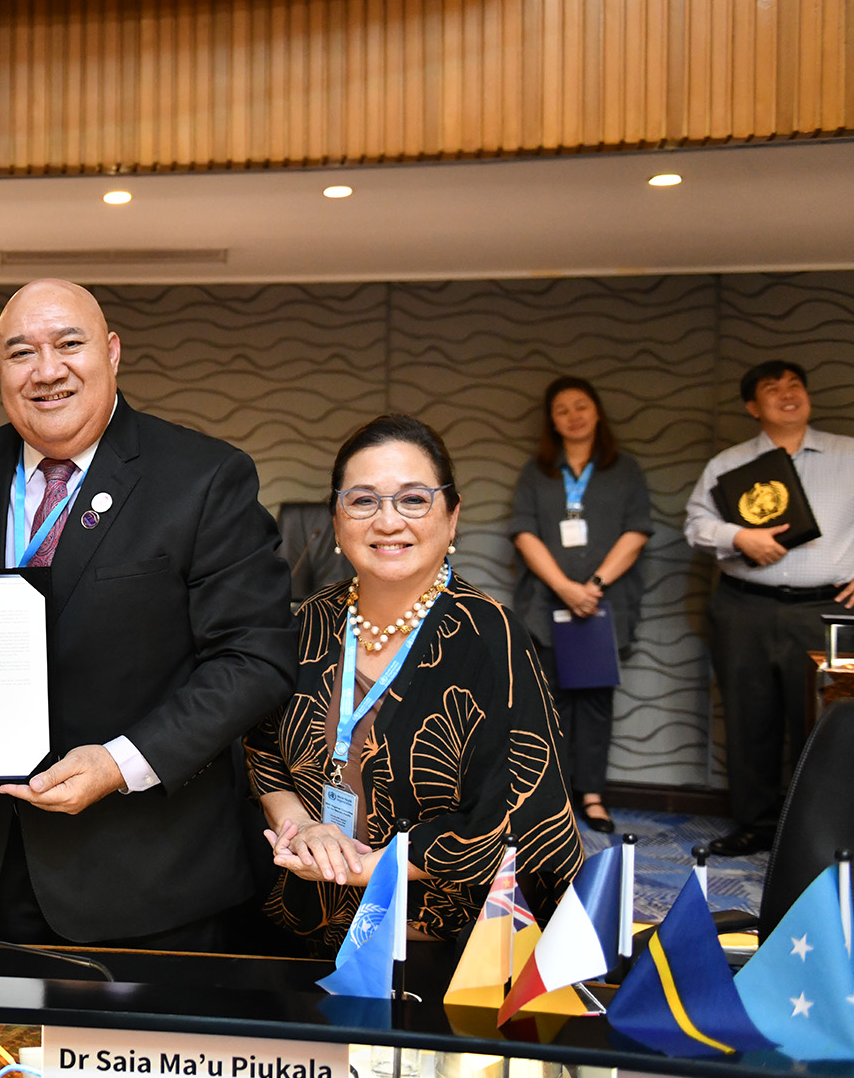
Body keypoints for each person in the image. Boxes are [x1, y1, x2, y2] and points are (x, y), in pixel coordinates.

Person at [0, 279, 298, 950]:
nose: (47, 370)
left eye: (69, 344)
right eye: (21, 352)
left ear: (112, 352)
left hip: (153, 881)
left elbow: (253, 661)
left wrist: (121, 764)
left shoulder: (203, 478)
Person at [245, 415, 584, 951]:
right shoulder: (308, 620)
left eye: (413, 499)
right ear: (336, 522)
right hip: (304, 911)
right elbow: (261, 746)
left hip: (438, 936)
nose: (387, 521)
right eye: (362, 501)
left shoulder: (489, 636)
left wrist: (369, 868)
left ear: (452, 518)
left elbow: (516, 810)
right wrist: (299, 829)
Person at [685, 361, 854, 856]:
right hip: (745, 609)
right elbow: (696, 523)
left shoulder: (848, 454)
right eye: (772, 389)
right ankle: (756, 826)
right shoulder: (729, 464)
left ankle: (824, 833)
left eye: (795, 385)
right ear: (752, 407)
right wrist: (739, 536)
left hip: (826, 614)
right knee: (749, 719)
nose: (787, 394)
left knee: (828, 723)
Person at [508, 378, 654, 834]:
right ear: (551, 420)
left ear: (597, 412)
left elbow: (637, 532)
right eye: (562, 409)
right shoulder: (538, 471)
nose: (573, 415)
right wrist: (565, 587)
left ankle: (591, 795)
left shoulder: (624, 470)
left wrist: (592, 585)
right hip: (546, 609)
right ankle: (553, 799)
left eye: (581, 406)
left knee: (593, 702)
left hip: (602, 611)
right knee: (545, 704)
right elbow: (524, 534)